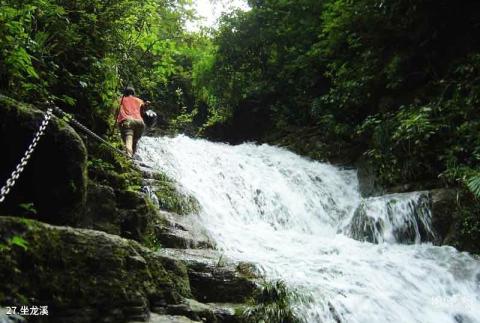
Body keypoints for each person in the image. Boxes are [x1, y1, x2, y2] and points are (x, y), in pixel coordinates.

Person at [116, 87, 148, 157]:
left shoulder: (120, 100)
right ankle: (131, 160)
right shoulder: (139, 101)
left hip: (128, 121)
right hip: (140, 122)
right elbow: (142, 113)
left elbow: (116, 112)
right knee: (134, 142)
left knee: (128, 140)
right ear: (133, 94)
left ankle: (128, 157)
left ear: (124, 93)